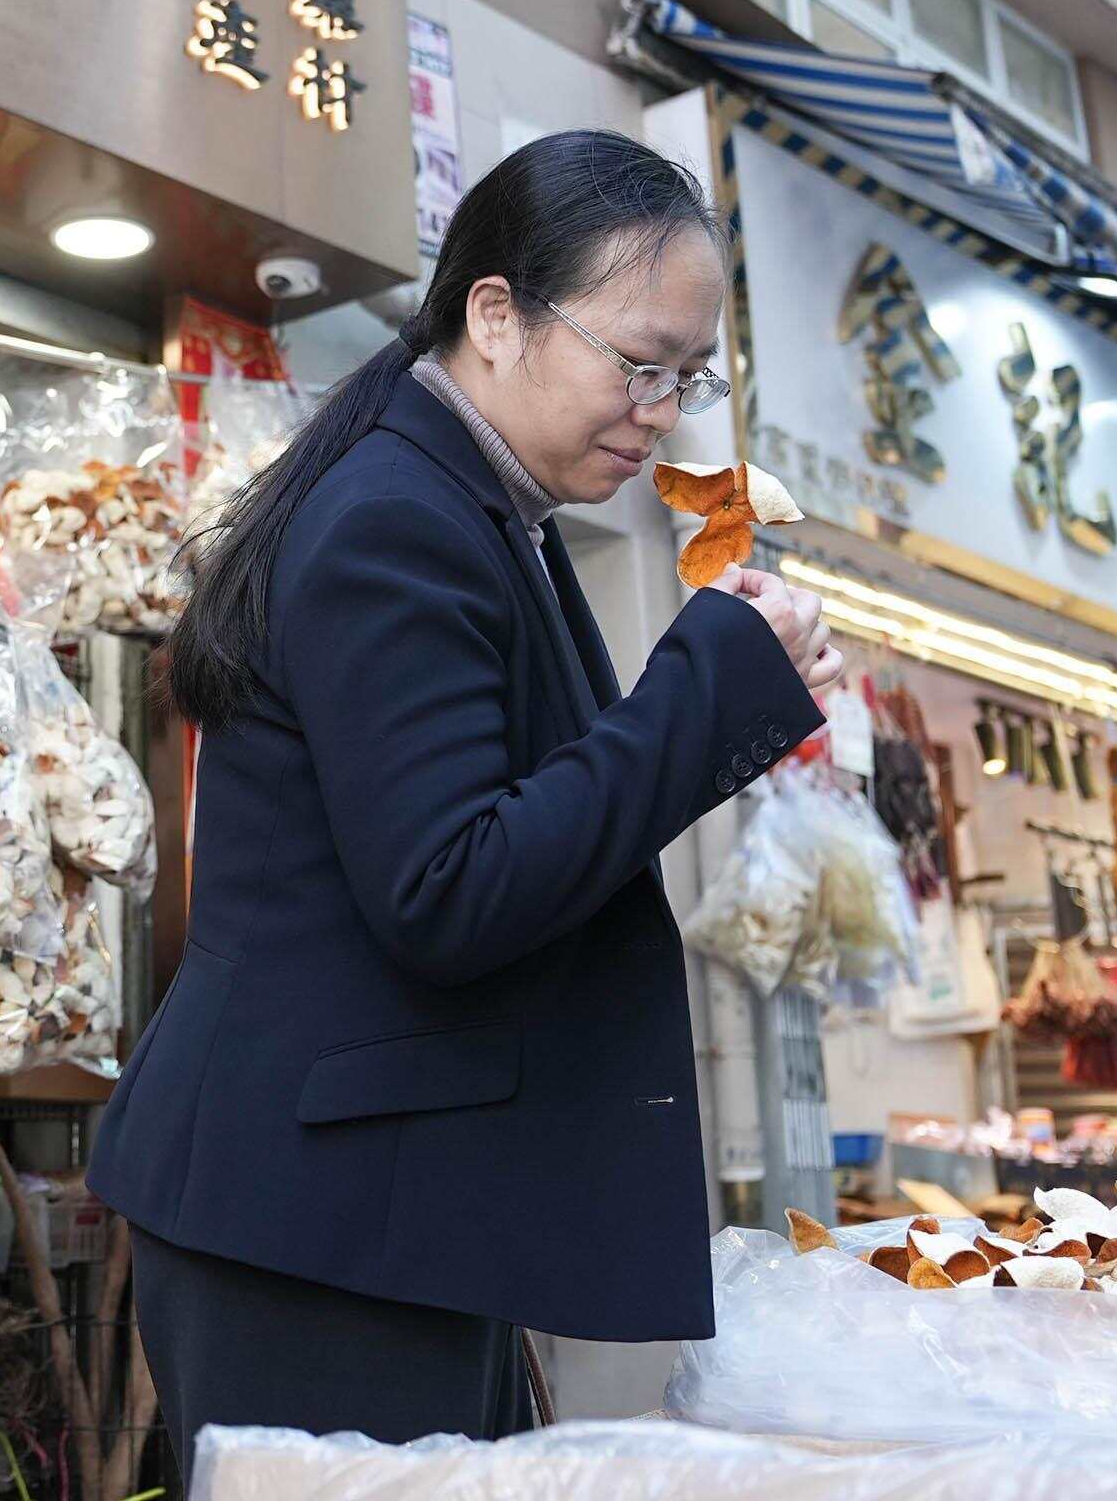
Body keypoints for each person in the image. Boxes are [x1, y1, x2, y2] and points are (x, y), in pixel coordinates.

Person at [87, 130, 845, 1451]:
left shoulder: (468, 501)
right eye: (637, 364)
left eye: (687, 376)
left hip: (371, 1211)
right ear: (495, 313)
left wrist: (720, 690)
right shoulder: (400, 516)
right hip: (312, 1234)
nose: (662, 411)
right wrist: (709, 687)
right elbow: (450, 887)